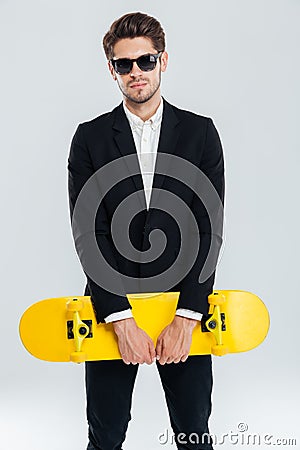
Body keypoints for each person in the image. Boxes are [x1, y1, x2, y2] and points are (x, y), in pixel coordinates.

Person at [68, 11, 225, 450]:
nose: (136, 72)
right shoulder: (89, 139)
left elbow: (206, 231)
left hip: (183, 307)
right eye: (124, 64)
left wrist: (186, 316)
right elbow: (90, 233)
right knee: (105, 437)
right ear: (112, 70)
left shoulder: (200, 133)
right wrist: (120, 320)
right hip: (109, 306)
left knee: (194, 435)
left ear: (164, 61)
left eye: (146, 61)